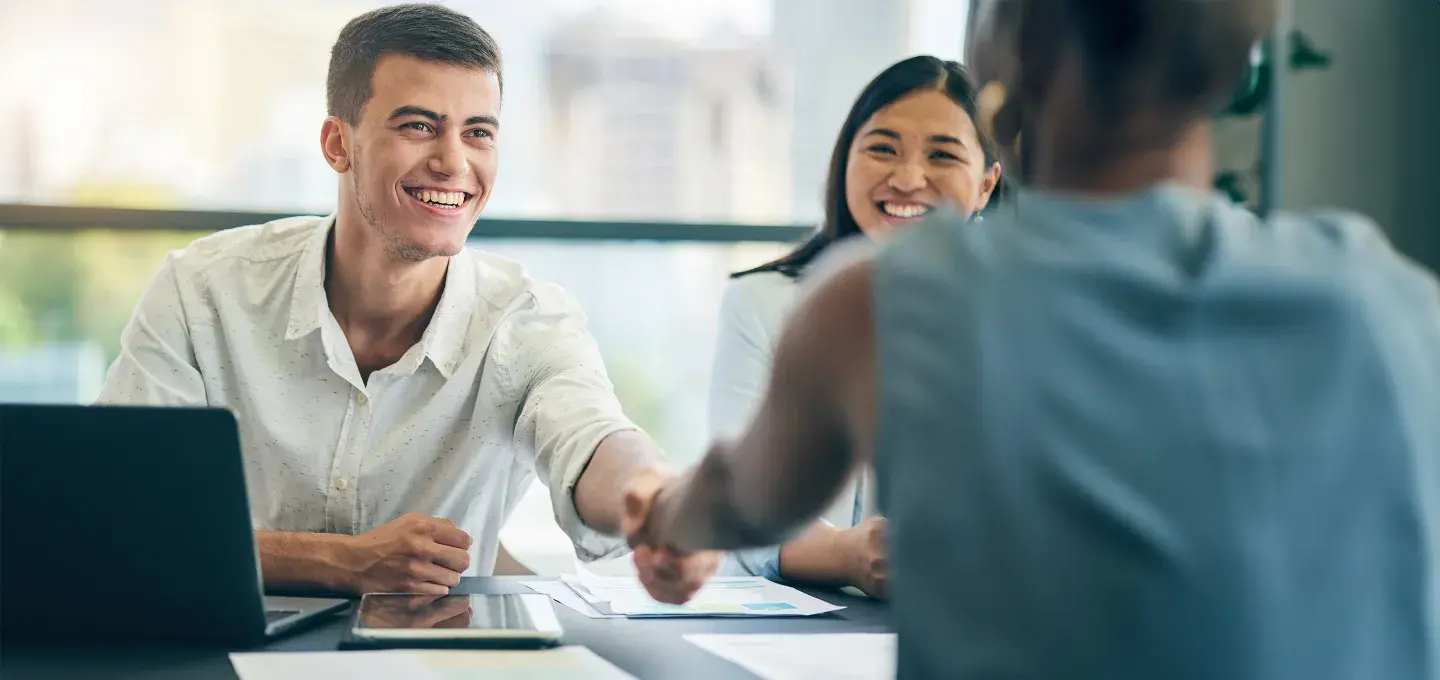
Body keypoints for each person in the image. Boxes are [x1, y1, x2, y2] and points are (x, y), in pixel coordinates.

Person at [625, 0, 1440, 678]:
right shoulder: (1393, 303)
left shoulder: (887, 300)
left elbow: (742, 502)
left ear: (1011, 49)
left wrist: (667, 515)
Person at [97, 3, 719, 603]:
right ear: (338, 144)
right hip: (219, 642)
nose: (454, 162)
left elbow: (594, 436)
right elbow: (119, 510)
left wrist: (655, 494)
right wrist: (341, 561)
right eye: (418, 126)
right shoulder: (203, 289)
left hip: (436, 654)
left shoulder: (526, 322)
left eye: (478, 133)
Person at [709, 56, 1002, 596]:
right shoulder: (761, 303)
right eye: (882, 149)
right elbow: (739, 512)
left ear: (987, 183)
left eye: (942, 155)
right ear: (845, 161)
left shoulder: (1022, 314)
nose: (909, 178)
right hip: (791, 623)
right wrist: (845, 555)